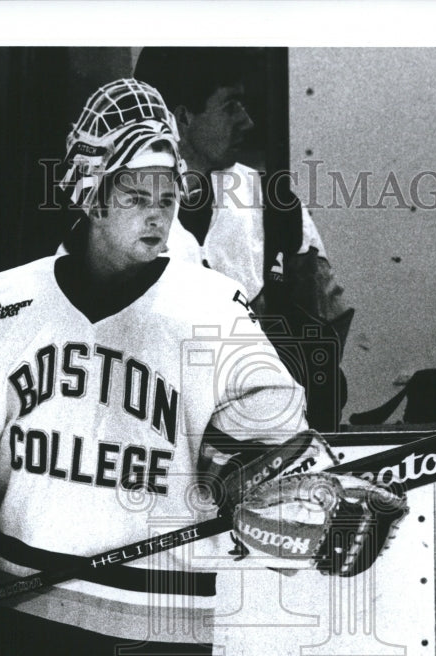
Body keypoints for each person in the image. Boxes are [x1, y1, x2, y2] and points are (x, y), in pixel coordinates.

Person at [0, 78, 313, 656]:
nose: (158, 215)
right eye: (137, 196)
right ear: (90, 191)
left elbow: (272, 456)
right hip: (16, 599)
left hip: (154, 613)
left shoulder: (214, 315)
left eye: (168, 197)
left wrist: (288, 502)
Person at [134, 47, 355, 432]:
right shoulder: (118, 215)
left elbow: (329, 321)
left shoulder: (274, 203)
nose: (248, 121)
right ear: (181, 117)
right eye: (231, 106)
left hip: (262, 441)